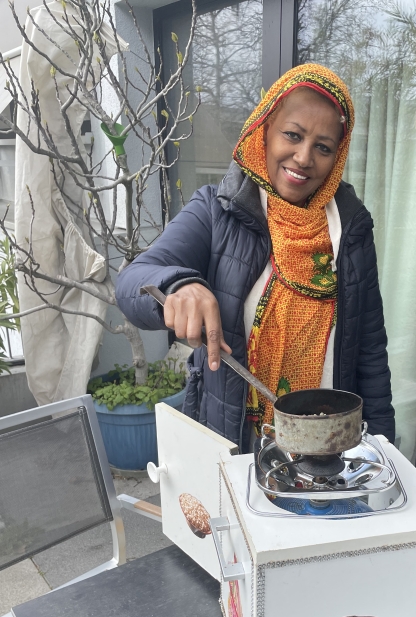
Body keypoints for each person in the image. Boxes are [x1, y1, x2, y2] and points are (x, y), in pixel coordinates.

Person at [116, 64, 394, 452]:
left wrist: (384, 451)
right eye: (292, 135)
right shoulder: (216, 211)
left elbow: (370, 354)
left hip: (328, 445)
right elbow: (134, 280)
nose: (303, 157)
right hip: (234, 441)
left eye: (323, 147)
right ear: (265, 130)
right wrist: (180, 286)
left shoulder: (352, 233)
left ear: (337, 157)